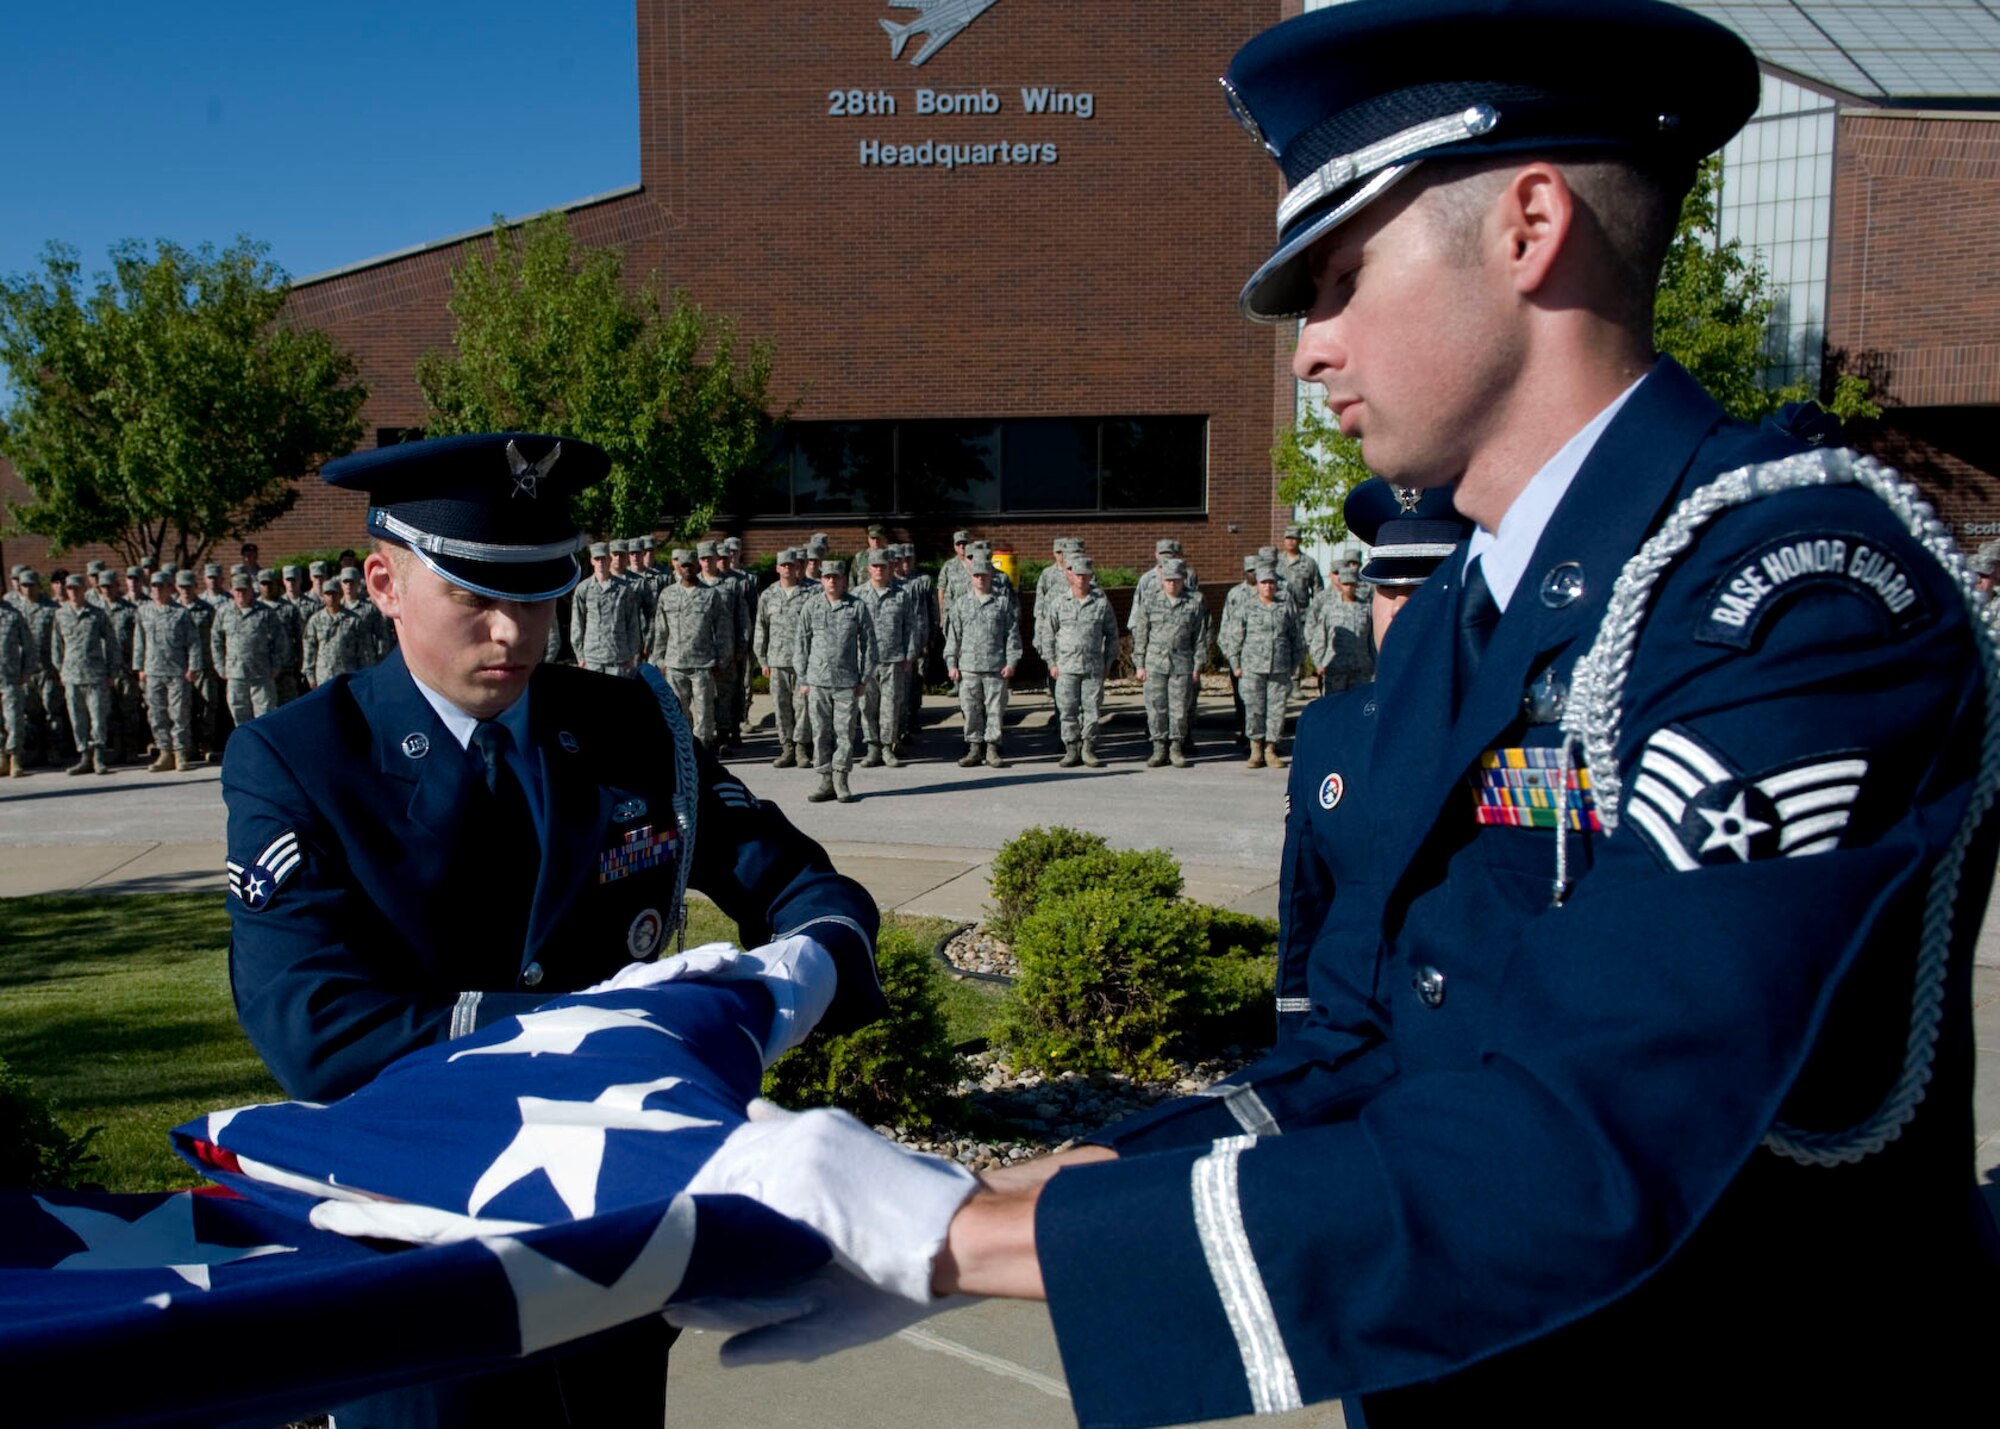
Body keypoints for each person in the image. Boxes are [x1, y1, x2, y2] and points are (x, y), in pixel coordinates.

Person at [673, 3, 2000, 1423]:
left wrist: (973, 1245)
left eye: (1339, 277)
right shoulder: (1473, 621)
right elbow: (1369, 1045)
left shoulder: (1795, 590)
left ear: (1529, 224)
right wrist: (1032, 1190)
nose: (1310, 350)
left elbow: (1597, 1130)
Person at [221, 430, 886, 1428]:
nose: (515, 631)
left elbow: (798, 883)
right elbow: (315, 1026)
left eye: (537, 592)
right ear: (384, 583)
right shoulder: (303, 758)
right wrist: (603, 1028)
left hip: (613, 1233)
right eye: (475, 596)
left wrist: (799, 972)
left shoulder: (627, 725)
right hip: (422, 1248)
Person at [795, 558, 875, 803]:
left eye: (836, 577)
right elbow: (801, 644)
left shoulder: (857, 607)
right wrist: (803, 678)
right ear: (821, 579)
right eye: (827, 577)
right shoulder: (812, 606)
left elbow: (869, 644)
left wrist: (864, 677)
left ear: (844, 579)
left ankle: (841, 778)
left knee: (845, 732)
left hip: (846, 681)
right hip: (817, 681)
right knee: (820, 732)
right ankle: (825, 779)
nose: (832, 581)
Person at [1220, 563, 1304, 768]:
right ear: (1257, 585)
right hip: (1252, 668)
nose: (1268, 587)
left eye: (1271, 583)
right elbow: (1235, 637)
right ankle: (1255, 749)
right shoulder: (1246, 607)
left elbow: (1296, 637)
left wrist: (1295, 663)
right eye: (1264, 583)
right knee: (1254, 709)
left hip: (1279, 667)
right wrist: (1235, 663)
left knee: (1276, 711)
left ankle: (1270, 749)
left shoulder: (1285, 606)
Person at [1042, 554, 1121, 768]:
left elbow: (1113, 635)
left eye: (1085, 575)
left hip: (1093, 667)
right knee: (1067, 709)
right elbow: (1047, 634)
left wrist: (1108, 663)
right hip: (1066, 667)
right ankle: (1071, 748)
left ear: (1090, 576)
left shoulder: (1101, 604)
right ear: (1070, 575)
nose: (1081, 579)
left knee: (1092, 710)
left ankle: (1088, 748)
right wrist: (1051, 662)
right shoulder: (1059, 603)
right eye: (1077, 575)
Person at [941, 553, 1019, 768]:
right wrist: (951, 664)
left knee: (995, 710)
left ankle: (992, 748)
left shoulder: (1002, 605)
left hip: (996, 667)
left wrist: (1011, 662)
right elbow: (953, 637)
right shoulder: (960, 605)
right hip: (968, 668)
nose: (980, 579)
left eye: (984, 574)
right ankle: (974, 748)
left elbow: (1012, 636)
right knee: (971, 709)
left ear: (991, 575)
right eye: (976, 575)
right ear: (971, 577)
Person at [1130, 557, 1206, 768]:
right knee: (1156, 708)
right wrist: (1139, 664)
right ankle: (1158, 748)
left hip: (1183, 664)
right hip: (1154, 663)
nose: (1172, 584)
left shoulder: (1195, 601)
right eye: (1168, 580)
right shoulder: (1150, 601)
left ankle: (1175, 747)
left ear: (1184, 579)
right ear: (1162, 579)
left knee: (1179, 709)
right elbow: (1141, 634)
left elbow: (1200, 636)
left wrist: (1198, 665)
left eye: (1177, 580)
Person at [650, 547, 728, 748]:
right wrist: (658, 659)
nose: (687, 569)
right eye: (683, 565)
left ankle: (704, 748)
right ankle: (684, 749)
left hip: (703, 663)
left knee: (705, 711)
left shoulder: (711, 595)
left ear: (697, 566)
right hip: (675, 663)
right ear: (677, 567)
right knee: (678, 711)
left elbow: (722, 630)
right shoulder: (667, 595)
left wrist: (721, 659)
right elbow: (661, 630)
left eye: (690, 565)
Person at [855, 550, 918, 767]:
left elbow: (910, 628)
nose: (879, 570)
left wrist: (909, 655)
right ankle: (872, 747)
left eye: (883, 566)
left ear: (890, 568)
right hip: (866, 662)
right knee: (867, 706)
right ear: (868, 568)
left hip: (894, 659)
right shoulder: (857, 596)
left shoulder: (901, 595)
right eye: (875, 566)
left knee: (891, 706)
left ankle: (887, 747)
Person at [50, 574, 118, 774]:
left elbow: (111, 644)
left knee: (97, 717)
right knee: (77, 719)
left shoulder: (97, 614)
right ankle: (84, 756)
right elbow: (56, 646)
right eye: (69, 588)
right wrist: (61, 670)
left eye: (76, 588)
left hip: (95, 674)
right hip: (71, 676)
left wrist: (112, 672)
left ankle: (98, 756)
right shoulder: (61, 615)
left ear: (84, 589)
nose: (72, 591)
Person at [754, 547, 811, 767]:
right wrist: (762, 660)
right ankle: (786, 747)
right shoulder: (768, 595)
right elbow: (761, 628)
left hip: (802, 662)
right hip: (777, 661)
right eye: (783, 565)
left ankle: (801, 748)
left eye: (792, 565)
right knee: (781, 707)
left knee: (803, 707)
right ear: (778, 568)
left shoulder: (810, 593)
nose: (788, 569)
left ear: (798, 567)